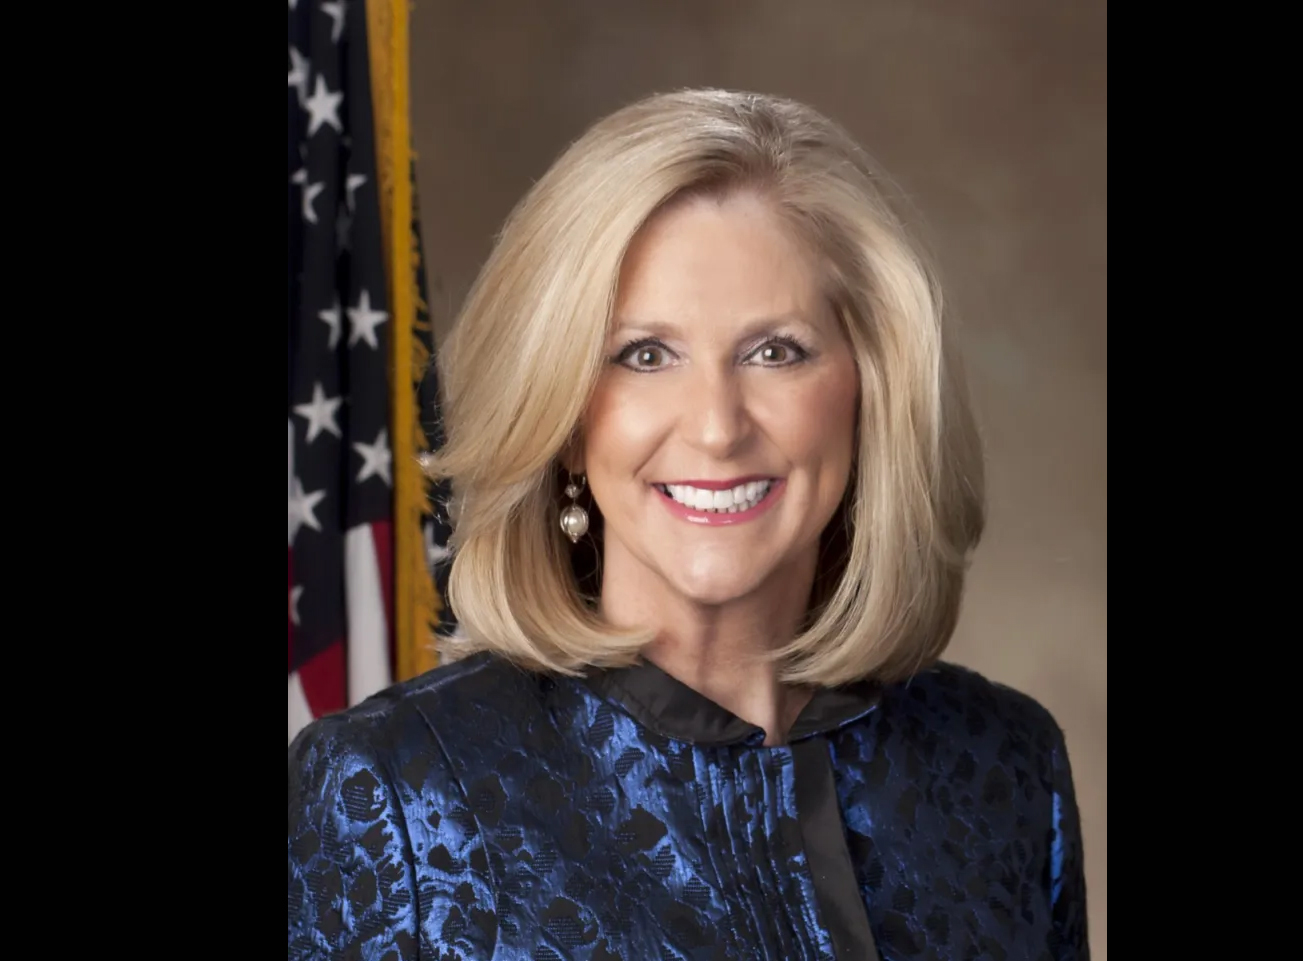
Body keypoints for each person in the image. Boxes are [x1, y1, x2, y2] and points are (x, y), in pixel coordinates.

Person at [288, 88, 1088, 960]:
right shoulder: (396, 790)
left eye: (774, 351)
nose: (715, 426)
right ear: (563, 418)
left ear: (871, 394)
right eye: (645, 355)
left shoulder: (1008, 766)